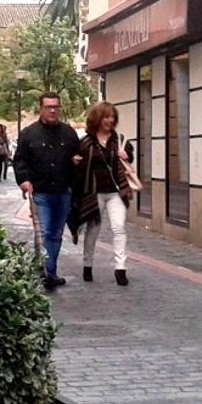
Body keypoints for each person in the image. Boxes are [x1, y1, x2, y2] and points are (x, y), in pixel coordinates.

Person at [13, 92, 79, 289]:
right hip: (40, 192)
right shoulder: (29, 134)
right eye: (48, 107)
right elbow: (20, 160)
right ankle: (45, 273)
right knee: (43, 233)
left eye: (55, 107)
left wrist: (76, 162)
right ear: (40, 109)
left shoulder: (69, 133)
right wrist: (24, 180)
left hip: (62, 192)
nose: (52, 111)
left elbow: (78, 156)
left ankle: (48, 271)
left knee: (56, 234)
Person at [70, 102, 133, 286]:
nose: (110, 120)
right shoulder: (86, 142)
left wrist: (126, 156)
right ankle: (87, 264)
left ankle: (120, 268)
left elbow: (130, 158)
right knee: (93, 229)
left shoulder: (120, 140)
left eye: (112, 117)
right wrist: (75, 161)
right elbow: (78, 164)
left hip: (116, 192)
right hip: (94, 192)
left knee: (119, 227)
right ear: (97, 119)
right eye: (106, 117)